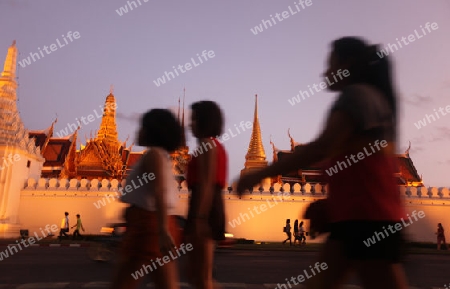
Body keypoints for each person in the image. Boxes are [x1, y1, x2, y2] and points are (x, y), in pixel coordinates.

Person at [237, 37, 409, 289]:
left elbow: (322, 147)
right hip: (359, 217)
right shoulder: (369, 98)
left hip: (369, 220)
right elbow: (351, 164)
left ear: (346, 64)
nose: (325, 72)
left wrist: (260, 173)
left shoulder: (357, 96)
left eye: (331, 64)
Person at [110, 109, 183, 289]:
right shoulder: (158, 155)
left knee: (123, 284)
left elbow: (159, 191)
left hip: (149, 225)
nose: (138, 132)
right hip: (151, 224)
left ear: (153, 131)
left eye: (143, 127)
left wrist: (163, 231)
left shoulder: (153, 155)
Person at [184, 100, 227, 289]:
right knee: (197, 274)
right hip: (204, 205)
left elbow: (207, 183)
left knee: (201, 277)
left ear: (204, 121)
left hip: (205, 208)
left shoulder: (207, 144)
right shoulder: (208, 145)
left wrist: (199, 219)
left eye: (194, 119)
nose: (190, 124)